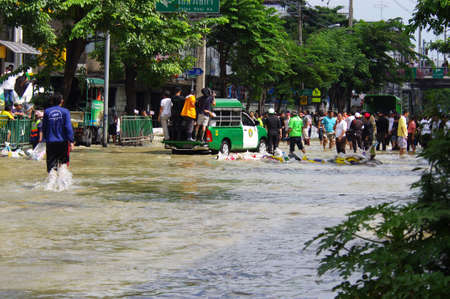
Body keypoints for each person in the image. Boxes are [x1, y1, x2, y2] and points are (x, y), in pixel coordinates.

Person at [42, 93, 74, 173]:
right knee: (63, 165)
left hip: (50, 142)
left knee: (51, 167)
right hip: (63, 142)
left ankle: (51, 184)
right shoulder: (65, 112)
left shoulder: (47, 112)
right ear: (62, 101)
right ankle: (62, 184)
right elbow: (68, 127)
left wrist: (44, 139)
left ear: (52, 101)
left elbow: (44, 127)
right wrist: (71, 141)